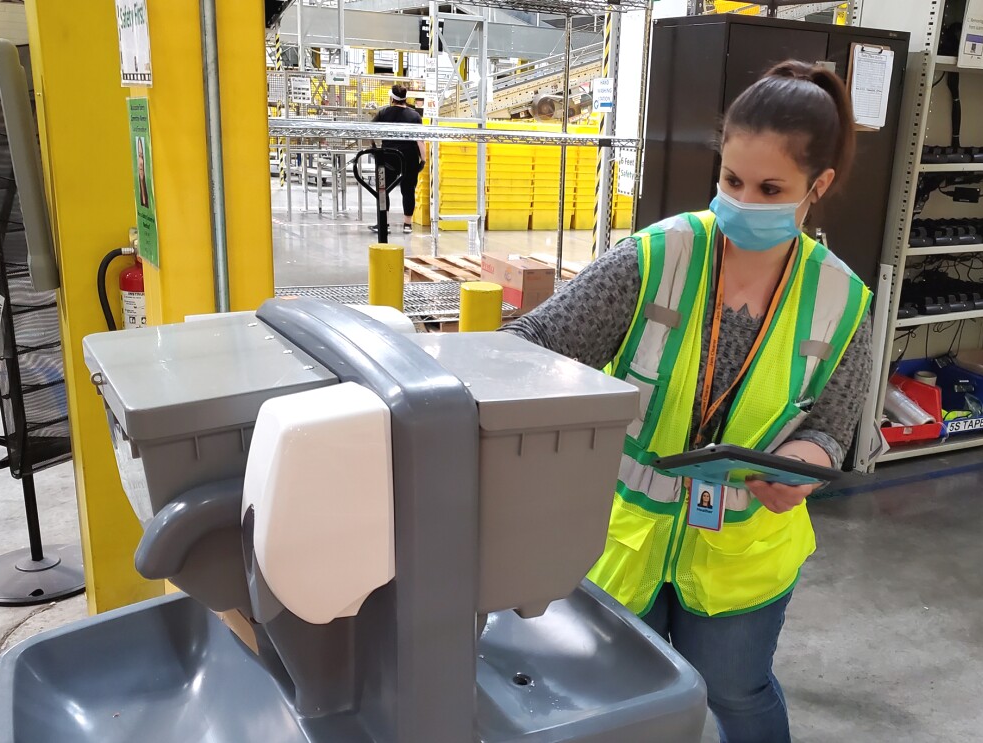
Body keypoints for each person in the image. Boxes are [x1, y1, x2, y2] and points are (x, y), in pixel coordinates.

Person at [504, 60, 873, 743]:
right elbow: (528, 348)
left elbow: (831, 425)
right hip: (625, 538)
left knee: (736, 693)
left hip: (742, 553)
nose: (741, 202)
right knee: (613, 702)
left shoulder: (840, 299)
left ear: (815, 187)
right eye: (730, 181)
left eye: (770, 189)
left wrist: (800, 458)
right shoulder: (655, 257)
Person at [370, 84, 426, 234]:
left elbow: (370, 132)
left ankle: (384, 224)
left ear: (392, 98)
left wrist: (375, 149)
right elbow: (420, 139)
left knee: (383, 189)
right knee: (408, 190)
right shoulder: (415, 116)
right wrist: (424, 159)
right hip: (409, 157)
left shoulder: (383, 113)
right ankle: (407, 225)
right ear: (405, 98)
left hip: (388, 158)